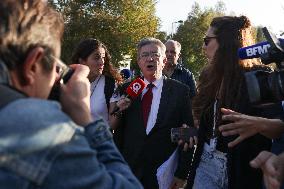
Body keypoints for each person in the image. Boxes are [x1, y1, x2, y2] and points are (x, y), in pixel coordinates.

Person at [0, 1, 142, 188]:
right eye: (53, 68)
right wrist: (85, 116)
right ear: (32, 65)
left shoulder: (110, 84)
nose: (55, 79)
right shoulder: (40, 128)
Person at [189, 15, 271, 189]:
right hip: (205, 163)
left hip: (242, 170)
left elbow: (278, 129)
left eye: (207, 40)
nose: (203, 46)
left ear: (225, 43)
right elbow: (203, 124)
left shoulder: (258, 76)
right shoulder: (207, 77)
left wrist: (260, 125)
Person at [109, 37, 197, 189]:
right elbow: (118, 133)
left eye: (155, 54)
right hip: (130, 171)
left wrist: (182, 174)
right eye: (144, 55)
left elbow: (188, 134)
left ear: (164, 61)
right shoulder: (127, 90)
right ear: (139, 61)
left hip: (163, 173)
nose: (150, 58)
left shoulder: (180, 91)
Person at [71, 38, 122, 123]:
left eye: (103, 57)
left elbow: (113, 120)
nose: (102, 62)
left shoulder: (110, 84)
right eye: (96, 57)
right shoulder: (68, 82)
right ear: (82, 61)